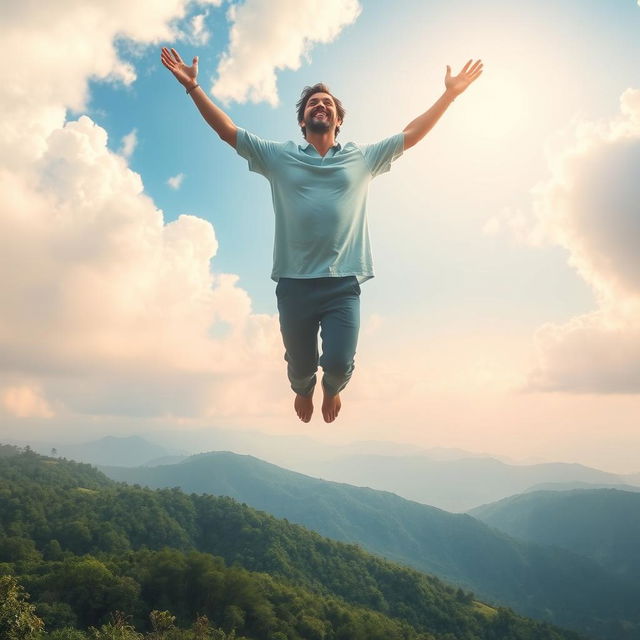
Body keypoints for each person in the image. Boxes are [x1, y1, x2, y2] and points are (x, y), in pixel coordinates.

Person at [161, 47, 482, 424]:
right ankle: (303, 389)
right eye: (314, 103)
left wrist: (449, 95)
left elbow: (410, 134)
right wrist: (193, 88)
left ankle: (331, 388)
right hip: (295, 283)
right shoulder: (279, 157)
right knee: (300, 364)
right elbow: (227, 131)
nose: (321, 106)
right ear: (302, 121)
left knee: (340, 361)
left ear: (337, 120)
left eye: (327, 103)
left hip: (342, 282)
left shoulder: (361, 158)